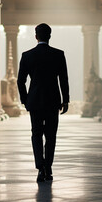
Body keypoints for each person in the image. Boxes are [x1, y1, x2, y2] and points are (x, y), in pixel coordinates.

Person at [17, 23, 70, 182]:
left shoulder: (27, 55)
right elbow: (63, 80)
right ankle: (48, 166)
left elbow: (20, 81)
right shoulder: (58, 54)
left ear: (36, 36)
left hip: (35, 101)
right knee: (51, 135)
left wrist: (25, 100)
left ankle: (40, 167)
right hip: (53, 100)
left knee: (36, 134)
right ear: (49, 36)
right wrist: (65, 100)